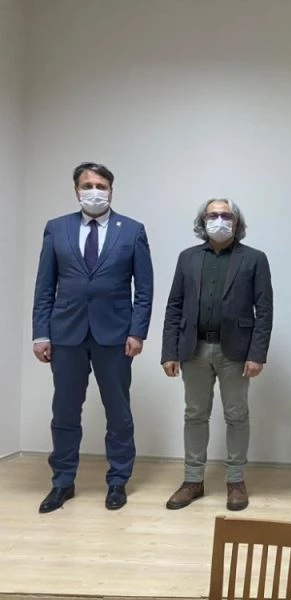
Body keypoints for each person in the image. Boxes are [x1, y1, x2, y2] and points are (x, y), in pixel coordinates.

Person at [32, 161, 154, 513]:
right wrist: (40, 333)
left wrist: (137, 331)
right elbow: (44, 286)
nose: (95, 191)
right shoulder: (57, 228)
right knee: (65, 411)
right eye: (88, 185)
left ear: (111, 191)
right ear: (76, 190)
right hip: (66, 333)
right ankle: (62, 482)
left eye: (101, 185)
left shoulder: (132, 230)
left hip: (115, 334)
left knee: (118, 411)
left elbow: (144, 288)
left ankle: (118, 481)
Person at [161, 199, 273, 511]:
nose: (219, 220)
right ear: (203, 220)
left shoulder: (254, 259)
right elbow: (174, 306)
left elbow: (264, 310)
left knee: (236, 415)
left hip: (235, 351)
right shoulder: (187, 258)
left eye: (226, 215)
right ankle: (192, 480)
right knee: (194, 414)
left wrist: (257, 354)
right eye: (213, 215)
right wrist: (169, 351)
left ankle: (235, 480)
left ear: (237, 223)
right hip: (193, 349)